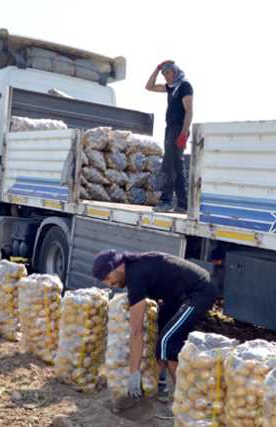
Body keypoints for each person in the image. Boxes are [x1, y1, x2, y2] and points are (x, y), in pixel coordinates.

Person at [92, 250, 216, 401]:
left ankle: (187, 399)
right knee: (159, 332)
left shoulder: (136, 276)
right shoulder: (135, 269)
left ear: (119, 266)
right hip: (176, 298)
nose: (109, 284)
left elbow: (136, 331)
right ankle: (159, 383)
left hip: (199, 292)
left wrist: (133, 374)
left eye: (107, 277)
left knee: (167, 341)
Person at [145, 60, 193, 213]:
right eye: (164, 74)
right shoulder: (170, 87)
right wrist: (156, 68)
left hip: (178, 129)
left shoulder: (184, 86)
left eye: (168, 72)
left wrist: (184, 133)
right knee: (177, 167)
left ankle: (166, 201)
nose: (166, 76)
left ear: (175, 71)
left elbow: (189, 111)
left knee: (168, 165)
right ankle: (182, 204)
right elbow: (149, 87)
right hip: (170, 128)